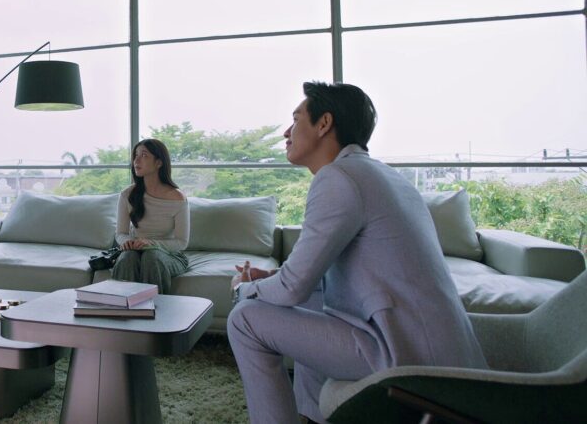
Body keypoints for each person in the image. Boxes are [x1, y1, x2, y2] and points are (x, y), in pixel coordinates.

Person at [227, 82, 486, 424]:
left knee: (244, 318)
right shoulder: (383, 175)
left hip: (409, 357)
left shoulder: (338, 178)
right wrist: (272, 278)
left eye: (296, 119)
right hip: (435, 348)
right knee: (302, 304)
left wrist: (244, 289)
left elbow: (291, 289)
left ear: (324, 123)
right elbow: (314, 280)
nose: (286, 132)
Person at [112, 138, 190, 294]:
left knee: (151, 256)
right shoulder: (127, 194)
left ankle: (154, 308)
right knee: (127, 258)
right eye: (136, 155)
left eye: (144, 155)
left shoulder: (177, 198)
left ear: (159, 163)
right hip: (135, 252)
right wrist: (127, 242)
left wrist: (151, 243)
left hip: (168, 255)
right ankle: (121, 307)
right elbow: (121, 233)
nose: (136, 160)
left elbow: (182, 242)